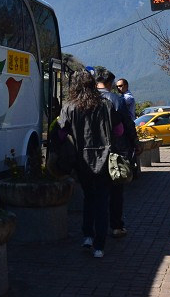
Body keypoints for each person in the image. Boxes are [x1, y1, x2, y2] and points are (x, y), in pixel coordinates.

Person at [56, 69, 115, 258]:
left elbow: (61, 133)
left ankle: (87, 236)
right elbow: (119, 129)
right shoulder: (106, 104)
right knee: (102, 201)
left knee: (88, 197)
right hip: (104, 158)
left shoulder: (69, 107)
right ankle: (100, 246)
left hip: (81, 161)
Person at [95, 67, 139, 239]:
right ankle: (116, 225)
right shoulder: (116, 100)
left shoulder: (86, 99)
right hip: (115, 151)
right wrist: (135, 143)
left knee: (96, 192)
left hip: (92, 153)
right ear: (110, 83)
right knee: (116, 190)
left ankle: (93, 231)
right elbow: (127, 124)